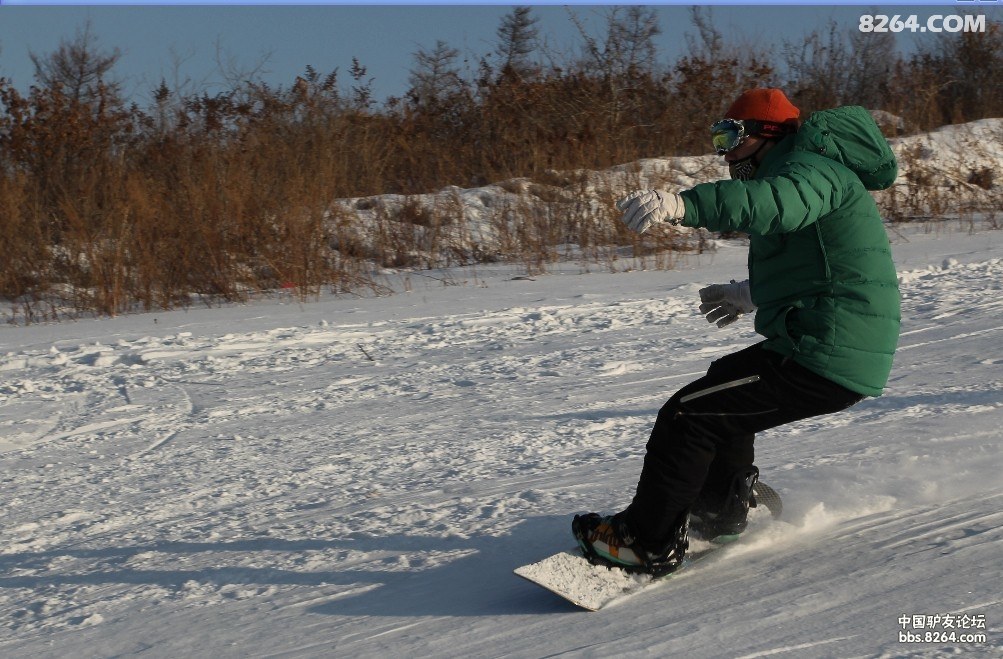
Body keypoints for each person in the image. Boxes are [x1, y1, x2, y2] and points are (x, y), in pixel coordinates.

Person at [573, 88, 901, 576]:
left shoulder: (809, 169)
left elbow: (774, 206)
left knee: (688, 416)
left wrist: (683, 205)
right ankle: (720, 513)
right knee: (723, 387)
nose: (723, 152)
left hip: (827, 350)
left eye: (729, 136)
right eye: (716, 137)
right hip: (826, 341)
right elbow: (817, 257)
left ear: (767, 134)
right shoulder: (806, 169)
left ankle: (646, 542)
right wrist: (751, 293)